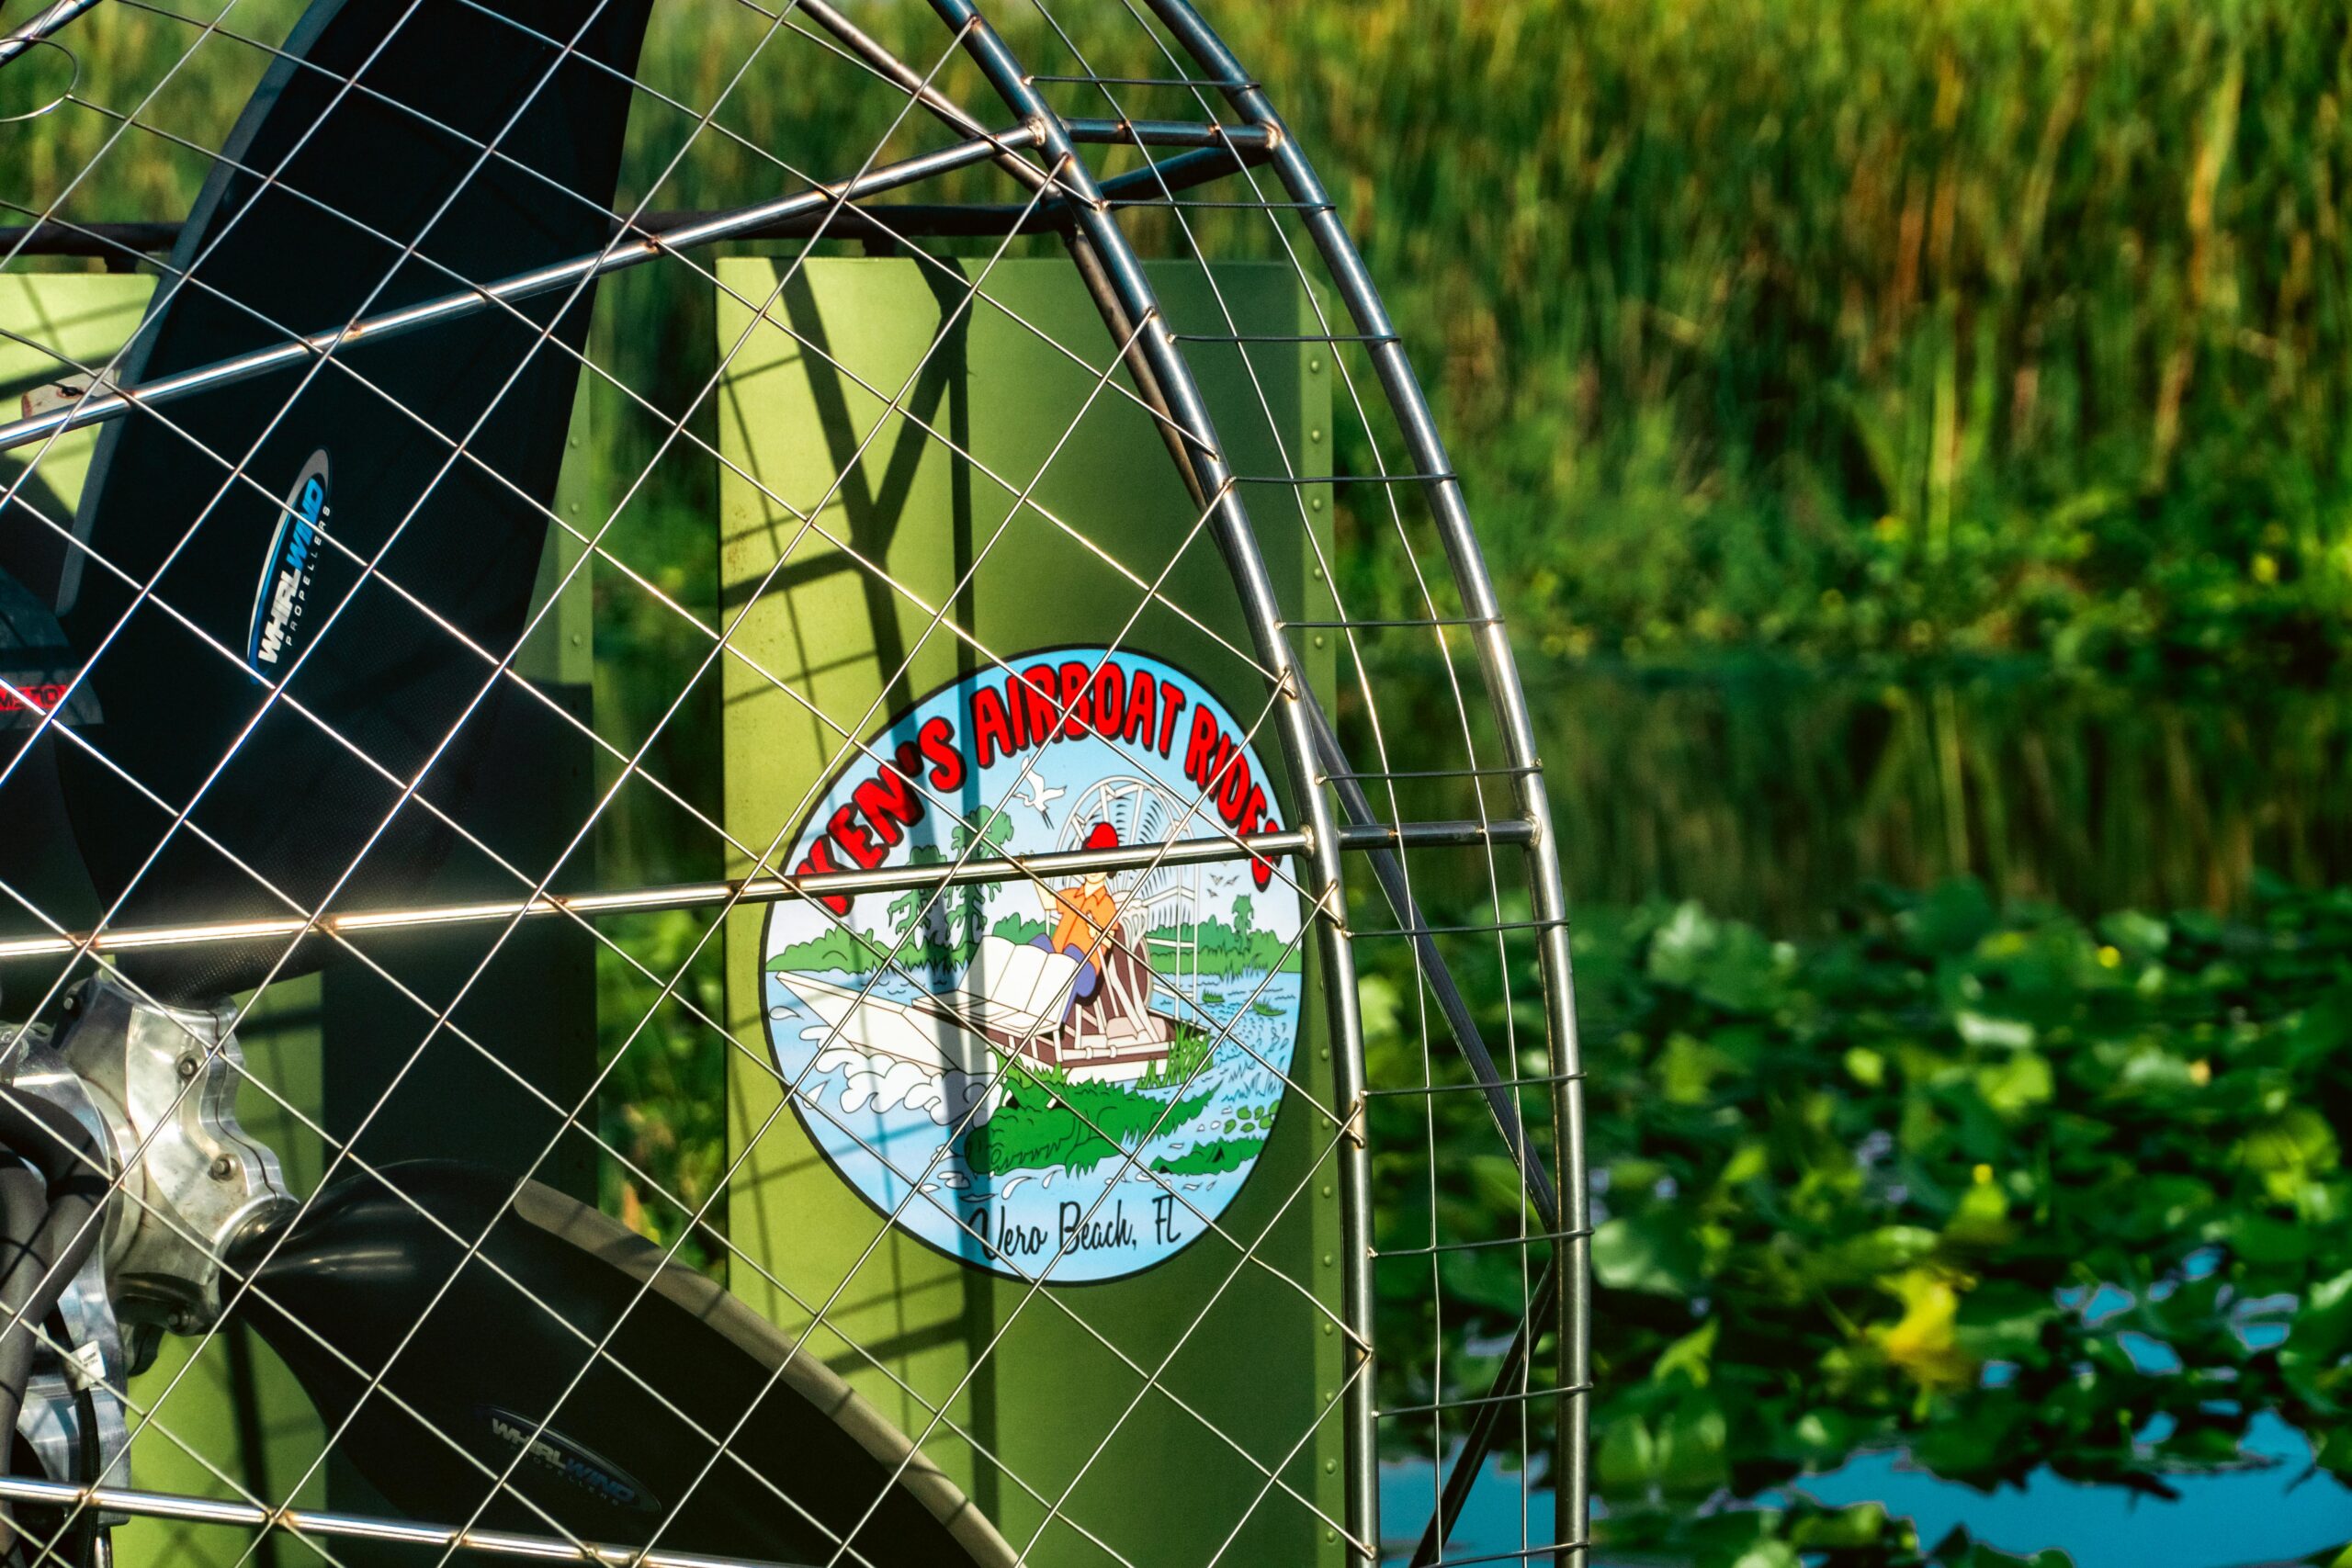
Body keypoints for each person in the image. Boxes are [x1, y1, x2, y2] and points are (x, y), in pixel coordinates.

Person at [1032, 821, 1121, 1020]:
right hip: (1057, 959)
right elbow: (1048, 902)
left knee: (1072, 955)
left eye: (1102, 861)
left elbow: (1109, 941)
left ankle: (1055, 1022)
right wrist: (1030, 873)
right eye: (1091, 858)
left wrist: (1097, 933)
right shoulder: (1073, 895)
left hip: (1086, 973)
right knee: (1038, 943)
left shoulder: (1106, 905)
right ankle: (1020, 1005)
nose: (1094, 867)